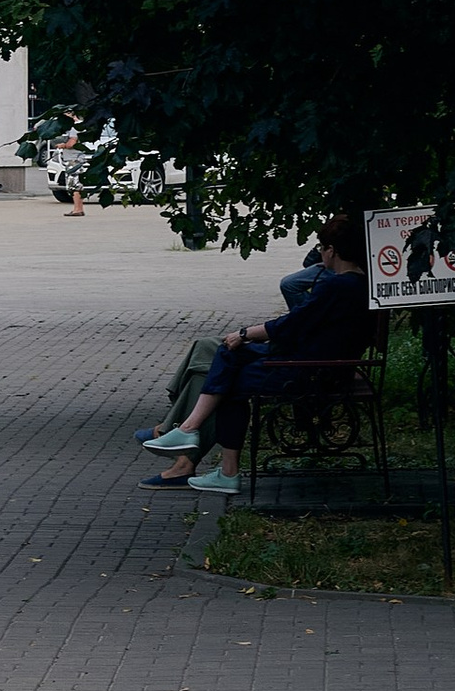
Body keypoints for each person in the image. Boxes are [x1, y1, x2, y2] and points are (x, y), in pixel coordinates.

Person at [140, 211, 369, 497]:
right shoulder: (359, 285)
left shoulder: (336, 286)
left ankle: (209, 452)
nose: (320, 254)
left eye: (321, 248)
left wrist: (246, 333)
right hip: (323, 365)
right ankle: (196, 440)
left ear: (332, 250)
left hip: (311, 371)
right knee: (229, 357)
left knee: (229, 374)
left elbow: (292, 324)